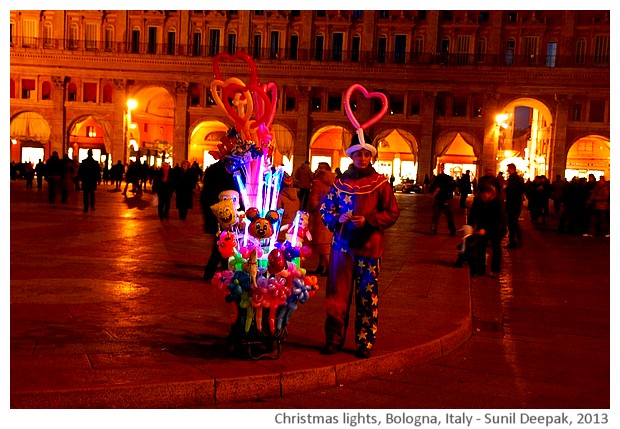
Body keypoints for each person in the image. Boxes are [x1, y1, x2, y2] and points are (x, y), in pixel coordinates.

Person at [319, 133, 400, 359]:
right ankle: (334, 339)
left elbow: (392, 213)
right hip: (342, 248)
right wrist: (337, 219)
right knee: (337, 295)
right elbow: (326, 209)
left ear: (371, 157)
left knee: (367, 296)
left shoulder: (381, 183)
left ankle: (365, 341)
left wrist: (370, 220)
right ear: (352, 156)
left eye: (366, 155)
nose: (362, 159)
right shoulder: (340, 183)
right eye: (358, 155)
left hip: (369, 248)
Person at [200, 157, 241, 282]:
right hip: (220, 215)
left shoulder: (237, 173)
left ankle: (220, 272)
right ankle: (215, 273)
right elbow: (207, 196)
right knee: (221, 243)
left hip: (233, 213)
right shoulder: (215, 173)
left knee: (225, 243)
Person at [466, 182, 507, 278]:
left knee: (496, 248)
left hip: (497, 228)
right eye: (482, 194)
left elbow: (499, 219)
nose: (483, 196)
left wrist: (486, 230)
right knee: (481, 247)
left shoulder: (498, 202)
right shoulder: (479, 200)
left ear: (491, 193)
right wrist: (470, 226)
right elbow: (473, 213)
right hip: (483, 225)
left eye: (485, 194)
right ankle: (480, 269)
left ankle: (495, 269)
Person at [307, 162, 336, 276]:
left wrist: (312, 207)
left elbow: (314, 199)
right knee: (326, 243)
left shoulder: (317, 182)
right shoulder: (334, 181)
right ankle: (322, 265)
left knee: (321, 243)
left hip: (319, 215)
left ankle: (328, 267)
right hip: (331, 214)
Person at [429, 163, 456, 236]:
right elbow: (453, 187)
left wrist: (435, 191)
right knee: (448, 215)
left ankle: (434, 229)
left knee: (437, 215)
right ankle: (452, 229)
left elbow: (432, 188)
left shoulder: (438, 178)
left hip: (440, 198)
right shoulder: (448, 178)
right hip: (445, 198)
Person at [504, 163, 526, 248]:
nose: (507, 171)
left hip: (512, 203)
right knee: (514, 222)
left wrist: (506, 189)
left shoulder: (513, 179)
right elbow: (522, 189)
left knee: (511, 223)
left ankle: (512, 241)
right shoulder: (519, 179)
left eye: (508, 169)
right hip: (516, 203)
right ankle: (518, 239)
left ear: (512, 169)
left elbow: (511, 190)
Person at [276, 173, 300, 242]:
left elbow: (278, 210)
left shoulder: (281, 196)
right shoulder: (295, 196)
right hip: (292, 226)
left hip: (282, 226)